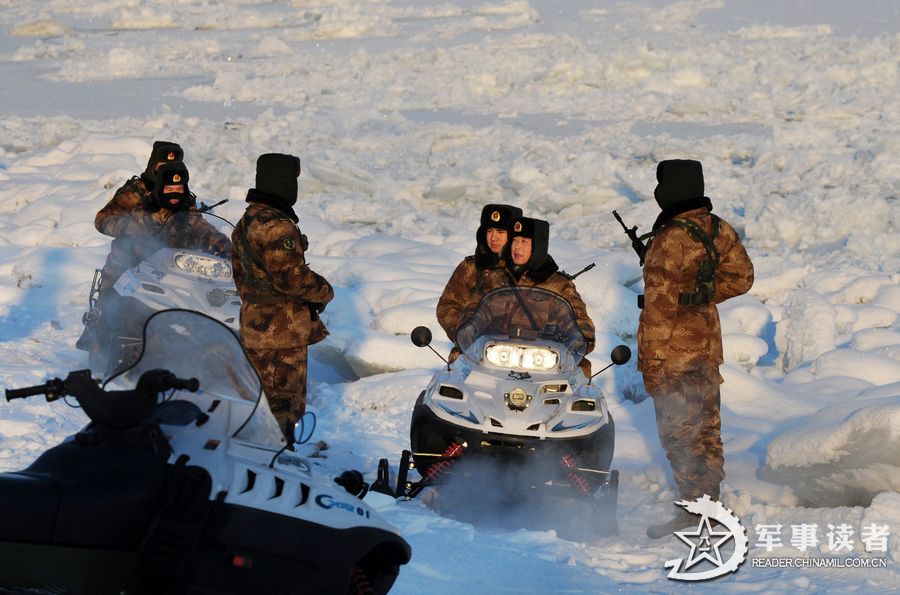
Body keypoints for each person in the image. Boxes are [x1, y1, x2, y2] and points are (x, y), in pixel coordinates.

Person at [638, 159, 754, 539]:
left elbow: (658, 311)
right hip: (707, 350)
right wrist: (702, 297)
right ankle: (710, 508)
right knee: (707, 433)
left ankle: (694, 516)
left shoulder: (668, 240)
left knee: (681, 437)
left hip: (674, 356)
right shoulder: (718, 228)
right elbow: (742, 278)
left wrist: (651, 366)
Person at [77, 145, 232, 351]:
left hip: (172, 259)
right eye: (162, 165)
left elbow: (198, 225)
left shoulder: (182, 195)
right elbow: (102, 219)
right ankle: (102, 336)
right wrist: (129, 226)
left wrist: (225, 246)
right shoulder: (135, 193)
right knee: (114, 292)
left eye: (172, 165)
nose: (166, 171)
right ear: (153, 165)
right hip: (132, 256)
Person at [231, 153, 334, 438]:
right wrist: (324, 291)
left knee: (256, 397)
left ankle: (256, 452)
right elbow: (293, 279)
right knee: (283, 404)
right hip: (282, 334)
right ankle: (279, 458)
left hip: (254, 326)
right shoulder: (276, 225)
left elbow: (239, 274)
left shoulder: (247, 219)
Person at [504, 216, 595, 377]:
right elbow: (476, 312)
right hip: (501, 358)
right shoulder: (497, 279)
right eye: (514, 240)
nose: (517, 247)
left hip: (547, 365)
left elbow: (582, 325)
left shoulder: (559, 286)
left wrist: (575, 342)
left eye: (524, 242)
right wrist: (470, 330)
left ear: (537, 247)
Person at [436, 204, 522, 349]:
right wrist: (465, 333)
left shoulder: (529, 270)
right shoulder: (471, 268)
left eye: (500, 232)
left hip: (526, 353)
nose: (494, 237)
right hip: (474, 351)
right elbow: (447, 306)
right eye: (489, 231)